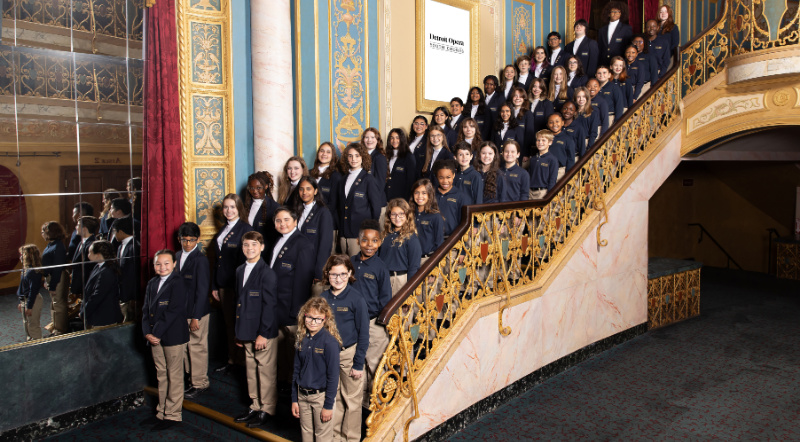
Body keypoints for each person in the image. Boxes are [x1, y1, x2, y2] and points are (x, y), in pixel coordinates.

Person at [231, 231, 279, 429]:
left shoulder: (267, 273)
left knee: (265, 371)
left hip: (262, 332)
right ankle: (255, 404)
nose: (249, 249)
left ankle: (267, 408)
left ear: (262, 247)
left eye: (254, 245)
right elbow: (239, 303)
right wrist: (238, 332)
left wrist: (263, 333)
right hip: (246, 329)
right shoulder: (240, 270)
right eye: (246, 245)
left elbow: (270, 306)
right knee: (251, 370)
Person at [320, 255, 369, 442]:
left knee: (352, 401)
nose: (338, 279)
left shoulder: (357, 299)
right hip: (328, 356)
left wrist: (358, 364)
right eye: (333, 275)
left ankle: (351, 438)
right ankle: (335, 437)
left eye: (342, 274)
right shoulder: (323, 298)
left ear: (349, 274)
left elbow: (364, 335)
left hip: (349, 355)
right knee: (333, 399)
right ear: (327, 275)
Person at [141, 249, 189, 431]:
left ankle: (173, 415)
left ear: (174, 264)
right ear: (154, 265)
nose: (162, 267)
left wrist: (156, 333)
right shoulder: (152, 283)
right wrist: (147, 332)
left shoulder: (179, 283)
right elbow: (145, 310)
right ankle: (161, 412)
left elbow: (173, 310)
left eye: (167, 263)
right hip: (154, 336)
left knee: (174, 375)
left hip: (172, 335)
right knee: (161, 374)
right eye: (158, 264)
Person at [269, 206, 316, 382]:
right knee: (280, 354)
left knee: (293, 354)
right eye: (278, 221)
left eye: (286, 220)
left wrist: (296, 311)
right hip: (276, 307)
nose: (282, 224)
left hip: (291, 309)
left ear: (295, 221)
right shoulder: (278, 240)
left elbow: (303, 283)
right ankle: (282, 384)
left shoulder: (303, 244)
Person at [349, 219, 392, 408]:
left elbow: (386, 299)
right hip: (353, 323)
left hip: (373, 323)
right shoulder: (351, 262)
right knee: (358, 365)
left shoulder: (380, 267)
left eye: (374, 241)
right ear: (358, 241)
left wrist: (384, 325)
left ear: (380, 242)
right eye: (365, 240)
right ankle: (362, 405)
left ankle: (378, 407)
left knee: (375, 365)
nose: (369, 245)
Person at [211, 193, 254, 374]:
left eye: (232, 207)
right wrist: (214, 285)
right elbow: (216, 260)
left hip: (237, 286)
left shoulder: (245, 228)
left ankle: (243, 363)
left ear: (239, 209)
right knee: (229, 324)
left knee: (240, 324)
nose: (228, 211)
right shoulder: (223, 229)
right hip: (223, 285)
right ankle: (232, 360)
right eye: (226, 207)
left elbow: (247, 261)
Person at [291, 297, 341, 442]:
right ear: (304, 316)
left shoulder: (330, 342)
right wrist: (295, 399)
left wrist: (328, 405)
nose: (313, 322)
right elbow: (296, 370)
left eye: (318, 319)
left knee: (322, 437)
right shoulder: (302, 339)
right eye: (310, 317)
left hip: (321, 397)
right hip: (303, 396)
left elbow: (333, 376)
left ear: (325, 320)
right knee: (306, 434)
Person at [176, 222, 211, 399]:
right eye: (184, 240)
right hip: (181, 312)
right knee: (184, 348)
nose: (188, 244)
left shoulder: (201, 260)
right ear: (179, 239)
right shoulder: (175, 256)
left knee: (197, 347)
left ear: (197, 240)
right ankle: (191, 380)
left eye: (191, 240)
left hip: (197, 312)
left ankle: (200, 383)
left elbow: (203, 290)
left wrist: (196, 316)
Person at [331, 142, 383, 256]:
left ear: (363, 157)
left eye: (357, 155)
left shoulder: (369, 179)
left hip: (359, 235)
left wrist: (369, 232)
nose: (353, 159)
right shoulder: (342, 180)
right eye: (350, 156)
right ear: (346, 158)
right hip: (343, 234)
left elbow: (376, 209)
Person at [295, 177, 334, 297]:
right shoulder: (296, 211)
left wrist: (319, 273)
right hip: (297, 265)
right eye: (301, 189)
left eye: (308, 189)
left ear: (315, 191)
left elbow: (325, 244)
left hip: (312, 268)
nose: (304, 192)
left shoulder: (323, 212)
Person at [381, 200, 423, 291]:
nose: (397, 217)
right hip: (384, 279)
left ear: (407, 215)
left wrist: (409, 291)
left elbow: (414, 267)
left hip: (399, 281)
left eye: (401, 214)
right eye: (393, 214)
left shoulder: (411, 238)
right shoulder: (385, 235)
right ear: (389, 215)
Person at [82, 240, 123, 328]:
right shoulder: (98, 267)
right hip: (97, 315)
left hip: (103, 317)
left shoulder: (107, 272)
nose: (88, 255)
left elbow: (97, 296)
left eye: (90, 252)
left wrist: (84, 312)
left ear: (98, 255)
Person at [41, 221, 69, 336]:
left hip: (58, 277)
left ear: (50, 232)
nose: (41, 234)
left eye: (43, 231)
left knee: (59, 304)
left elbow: (57, 269)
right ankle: (55, 327)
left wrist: (52, 285)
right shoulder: (51, 244)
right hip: (51, 277)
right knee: (54, 304)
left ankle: (61, 331)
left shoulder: (58, 246)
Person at [434, 159, 471, 237]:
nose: (445, 181)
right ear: (437, 177)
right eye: (441, 177)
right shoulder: (431, 194)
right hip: (433, 238)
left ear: (454, 175)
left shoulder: (461, 196)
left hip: (452, 239)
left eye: (448, 177)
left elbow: (464, 223)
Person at [112, 216, 139, 323]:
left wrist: (132, 297)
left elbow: (133, 274)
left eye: (114, 232)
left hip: (130, 295)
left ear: (121, 231)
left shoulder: (134, 247)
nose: (114, 235)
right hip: (122, 293)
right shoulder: (120, 246)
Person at [410, 179, 445, 262]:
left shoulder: (435, 216)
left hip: (427, 260)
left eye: (424, 193)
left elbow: (439, 244)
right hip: (410, 260)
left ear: (430, 195)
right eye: (416, 192)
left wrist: (435, 266)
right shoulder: (409, 214)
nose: (419, 196)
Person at [245, 171, 280, 250]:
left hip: (265, 252)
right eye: (251, 188)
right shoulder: (246, 206)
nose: (254, 191)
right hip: (248, 251)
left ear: (266, 186)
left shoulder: (274, 207)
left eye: (258, 187)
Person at [17, 244, 46, 341]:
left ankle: (39, 346)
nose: (21, 257)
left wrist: (29, 306)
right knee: (27, 325)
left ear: (28, 256)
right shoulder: (26, 270)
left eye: (23, 254)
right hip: (26, 300)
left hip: (32, 301)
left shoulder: (33, 272)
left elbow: (32, 291)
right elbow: (22, 288)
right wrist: (21, 302)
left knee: (33, 326)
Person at [70, 215, 98, 301]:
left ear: (84, 228)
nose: (75, 227)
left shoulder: (92, 244)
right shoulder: (81, 242)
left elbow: (88, 268)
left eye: (78, 225)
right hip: (80, 285)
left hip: (85, 284)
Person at [384, 128, 417, 202]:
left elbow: (411, 181)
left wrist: (406, 200)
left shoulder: (408, 157)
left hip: (401, 199)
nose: (394, 140)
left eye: (397, 138)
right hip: (386, 198)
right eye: (392, 138)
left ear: (402, 139)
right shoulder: (386, 155)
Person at [361, 128, 389, 206]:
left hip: (375, 202)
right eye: (366, 137)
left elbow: (380, 184)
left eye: (373, 137)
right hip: (363, 201)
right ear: (363, 140)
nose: (369, 140)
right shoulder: (360, 157)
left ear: (377, 140)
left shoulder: (379, 158)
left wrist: (371, 202)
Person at [529, 130, 560, 199]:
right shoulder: (533, 159)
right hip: (530, 192)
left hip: (542, 192)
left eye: (543, 140)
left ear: (550, 142)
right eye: (538, 140)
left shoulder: (552, 160)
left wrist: (549, 197)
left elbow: (552, 180)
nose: (540, 143)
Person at [310, 142, 342, 207]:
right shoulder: (308, 173)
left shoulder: (336, 176)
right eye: (322, 151)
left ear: (333, 156)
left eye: (328, 152)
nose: (324, 154)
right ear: (318, 153)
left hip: (325, 215)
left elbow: (333, 204)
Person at [509, 86, 536, 164]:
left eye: (521, 96)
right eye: (515, 96)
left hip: (521, 151)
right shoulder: (508, 112)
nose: (517, 98)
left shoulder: (528, 114)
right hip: (508, 149)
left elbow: (529, 135)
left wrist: (526, 153)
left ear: (524, 99)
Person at [548, 113, 577, 178]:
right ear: (547, 125)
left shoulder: (568, 139)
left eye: (557, 121)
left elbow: (571, 159)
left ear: (562, 123)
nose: (554, 124)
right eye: (551, 122)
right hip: (546, 169)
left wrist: (568, 175)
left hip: (560, 171)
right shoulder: (545, 138)